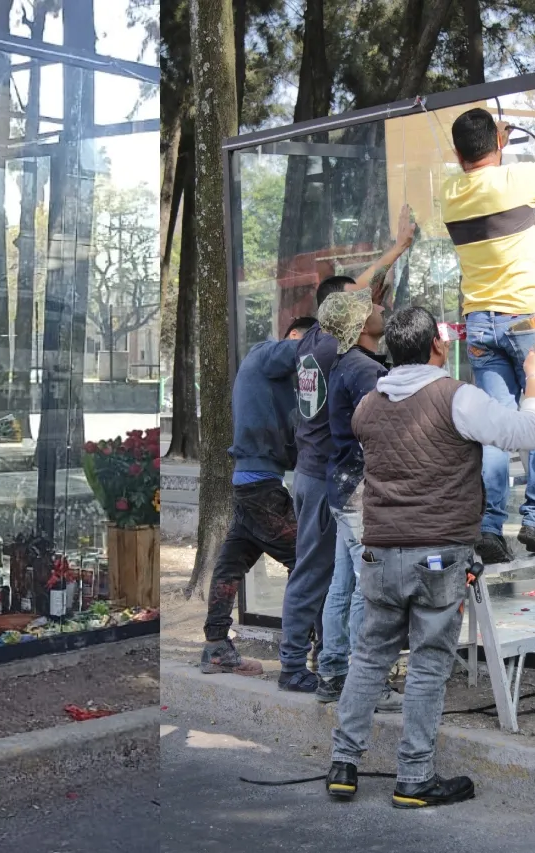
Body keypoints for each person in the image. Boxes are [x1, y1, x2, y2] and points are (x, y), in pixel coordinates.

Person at [326, 306, 535, 808]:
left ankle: (343, 764)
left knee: (369, 656)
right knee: (427, 663)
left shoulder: (367, 406)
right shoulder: (457, 398)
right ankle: (415, 777)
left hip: (380, 555)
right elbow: (526, 433)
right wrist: (532, 378)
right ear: (437, 348)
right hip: (438, 557)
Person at [443, 107, 535, 563]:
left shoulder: (450, 192)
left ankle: (490, 526)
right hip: (526, 318)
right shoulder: (514, 180)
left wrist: (493, 142)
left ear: (457, 153)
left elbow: (476, 165)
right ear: (500, 145)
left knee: (495, 427)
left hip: (481, 323)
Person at [280, 208, 416, 692]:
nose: (371, 303)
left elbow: (357, 288)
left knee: (334, 576)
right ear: (345, 315)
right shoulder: (349, 361)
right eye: (360, 303)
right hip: (326, 475)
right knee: (329, 575)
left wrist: (398, 248)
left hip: (315, 472)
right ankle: (301, 664)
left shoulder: (312, 343)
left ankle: (330, 666)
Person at [200, 316, 319, 676]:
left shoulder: (284, 386)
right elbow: (298, 349)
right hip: (261, 488)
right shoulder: (265, 354)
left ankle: (216, 647)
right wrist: (323, 341)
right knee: (309, 564)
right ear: (295, 337)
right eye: (306, 345)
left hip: (252, 485)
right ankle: (310, 655)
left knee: (231, 564)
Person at [312, 290, 402, 709]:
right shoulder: (365, 371)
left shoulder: (345, 363)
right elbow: (384, 433)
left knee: (342, 584)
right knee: (369, 589)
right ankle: (367, 683)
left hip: (342, 486)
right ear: (362, 325)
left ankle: (332, 672)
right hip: (359, 492)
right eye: (374, 309)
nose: (382, 310)